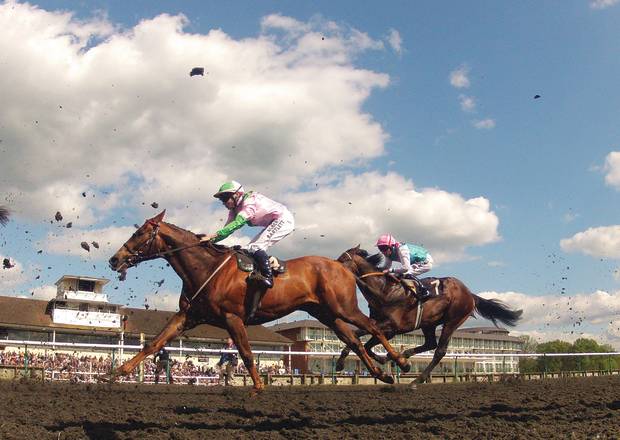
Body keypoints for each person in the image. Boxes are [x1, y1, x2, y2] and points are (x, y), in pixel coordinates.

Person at [201, 181, 295, 316]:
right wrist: (210, 241)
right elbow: (226, 230)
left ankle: (268, 277)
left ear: (237, 195)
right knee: (248, 249)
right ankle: (270, 262)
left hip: (283, 220)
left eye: (225, 198)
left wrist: (212, 237)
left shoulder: (249, 202)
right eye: (222, 199)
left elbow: (238, 224)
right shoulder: (234, 210)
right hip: (274, 222)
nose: (223, 202)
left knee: (254, 246)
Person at [376, 234, 434, 300]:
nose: (383, 251)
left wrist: (390, 270)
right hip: (413, 263)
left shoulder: (402, 249)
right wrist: (377, 269)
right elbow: (386, 266)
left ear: (391, 246)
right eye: (380, 248)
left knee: (406, 274)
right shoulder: (389, 253)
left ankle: (424, 290)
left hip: (425, 261)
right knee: (395, 276)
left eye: (384, 248)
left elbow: (405, 268)